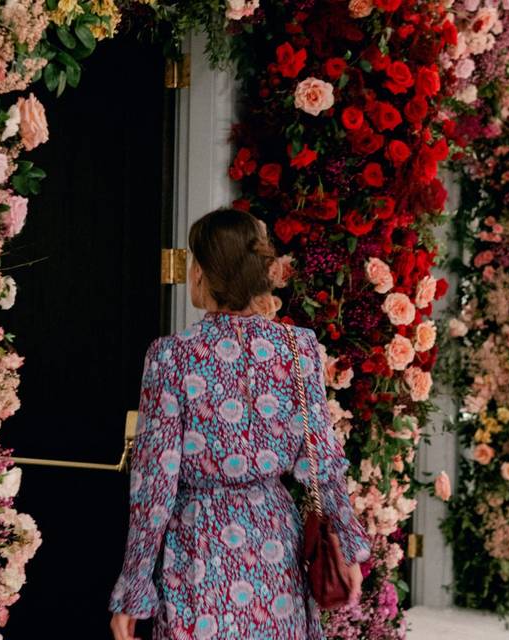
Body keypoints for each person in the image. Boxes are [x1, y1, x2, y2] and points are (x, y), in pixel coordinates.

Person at [108, 209, 370, 640]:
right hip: (275, 551)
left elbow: (155, 485)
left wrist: (134, 589)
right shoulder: (297, 348)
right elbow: (322, 462)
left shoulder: (172, 356)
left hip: (199, 549)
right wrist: (350, 548)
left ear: (203, 273)